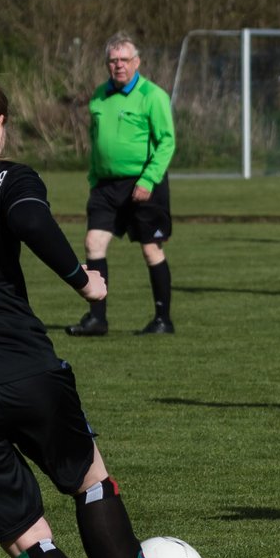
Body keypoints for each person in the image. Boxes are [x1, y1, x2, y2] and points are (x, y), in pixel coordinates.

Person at [0, 77, 216, 558]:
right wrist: (81, 279)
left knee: (28, 543)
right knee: (90, 484)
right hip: (27, 369)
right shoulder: (10, 177)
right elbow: (31, 221)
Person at [66, 32, 177, 337]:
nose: (118, 66)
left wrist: (149, 178)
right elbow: (95, 141)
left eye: (124, 60)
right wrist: (93, 177)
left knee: (151, 249)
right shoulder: (99, 95)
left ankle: (162, 320)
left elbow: (166, 142)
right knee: (93, 243)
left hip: (143, 182)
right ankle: (97, 318)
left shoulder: (153, 96)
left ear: (136, 62)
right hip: (105, 186)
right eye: (113, 61)